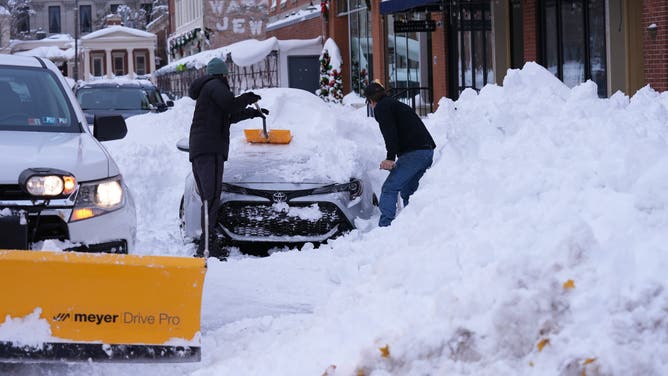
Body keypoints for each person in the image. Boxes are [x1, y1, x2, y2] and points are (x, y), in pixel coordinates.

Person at [188, 57, 268, 257]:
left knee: (209, 198)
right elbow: (231, 106)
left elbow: (229, 115)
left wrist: (252, 113)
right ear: (223, 74)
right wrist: (248, 97)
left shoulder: (208, 89)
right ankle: (206, 246)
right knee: (212, 197)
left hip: (202, 149)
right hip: (210, 149)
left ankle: (208, 242)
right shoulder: (215, 86)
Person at [364, 81, 436, 227]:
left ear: (371, 101)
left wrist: (390, 158)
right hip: (426, 151)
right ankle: (414, 225)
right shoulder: (393, 104)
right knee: (409, 190)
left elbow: (390, 133)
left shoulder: (382, 107)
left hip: (414, 153)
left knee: (389, 188)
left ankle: (385, 227)